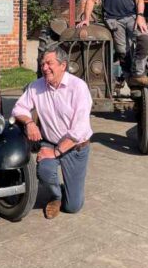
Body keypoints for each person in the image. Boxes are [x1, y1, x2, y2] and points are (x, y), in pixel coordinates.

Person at [12, 45, 92, 219]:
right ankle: (56, 195)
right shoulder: (36, 86)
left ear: (63, 65)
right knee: (45, 170)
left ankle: (68, 193)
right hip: (50, 141)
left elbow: (80, 130)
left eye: (49, 63)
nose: (45, 68)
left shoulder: (78, 87)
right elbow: (19, 108)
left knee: (73, 206)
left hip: (75, 147)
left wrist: (55, 152)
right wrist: (30, 122)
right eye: (42, 64)